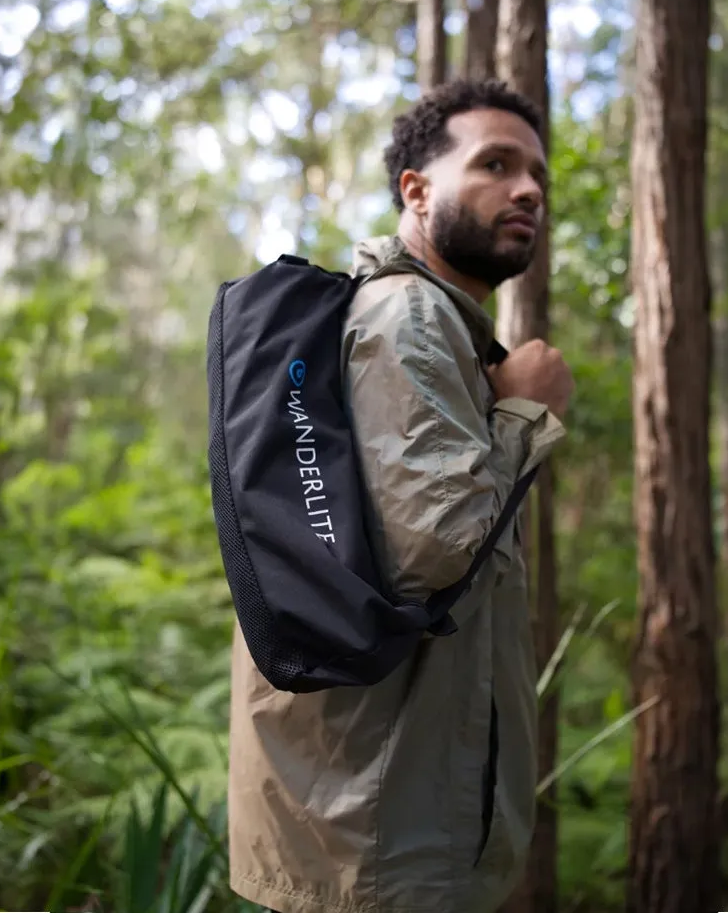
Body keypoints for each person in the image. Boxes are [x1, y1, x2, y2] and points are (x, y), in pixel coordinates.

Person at [227, 78, 575, 913]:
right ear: (416, 191)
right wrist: (528, 411)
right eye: (494, 164)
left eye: (535, 173)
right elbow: (435, 550)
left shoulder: (425, 324)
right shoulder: (408, 320)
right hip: (383, 835)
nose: (527, 188)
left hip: (370, 817)